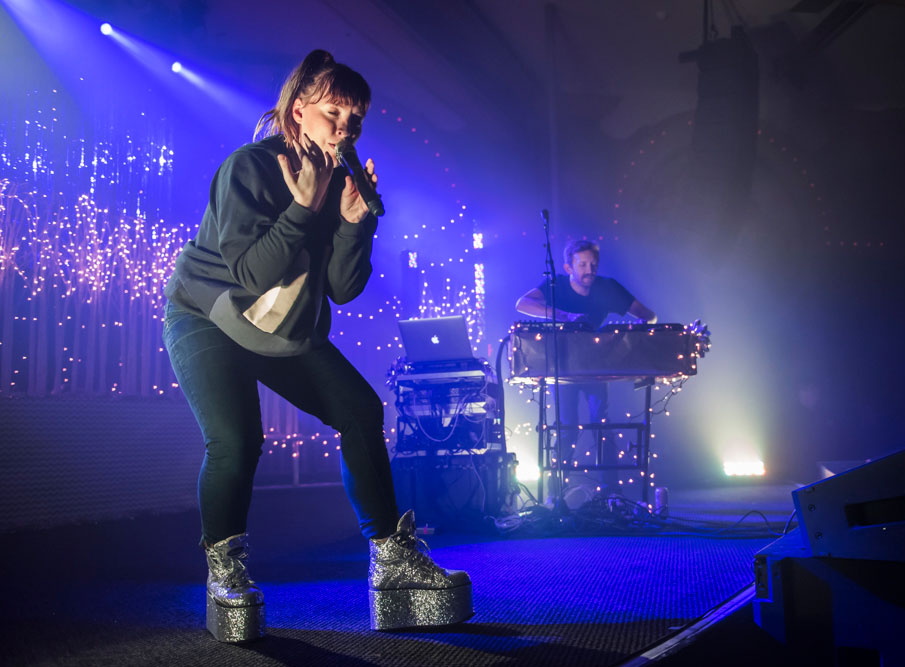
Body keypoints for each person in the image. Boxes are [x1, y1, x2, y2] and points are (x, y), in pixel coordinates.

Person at [162, 50, 470, 641]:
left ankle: (393, 562)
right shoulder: (248, 168)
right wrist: (303, 208)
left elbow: (342, 289)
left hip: (283, 326)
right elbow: (251, 274)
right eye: (334, 113)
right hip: (208, 315)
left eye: (355, 120)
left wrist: (356, 223)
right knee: (237, 440)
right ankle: (225, 572)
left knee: (360, 409)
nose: (345, 129)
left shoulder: (335, 182)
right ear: (299, 111)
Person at [514, 239, 656, 491]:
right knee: (566, 427)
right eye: (582, 265)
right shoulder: (555, 285)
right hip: (562, 367)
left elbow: (649, 315)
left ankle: (612, 493)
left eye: (593, 264)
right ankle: (556, 495)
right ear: (569, 268)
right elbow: (522, 304)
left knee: (600, 423)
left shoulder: (608, 287)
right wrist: (565, 316)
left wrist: (630, 337)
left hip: (596, 367)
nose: (589, 269)